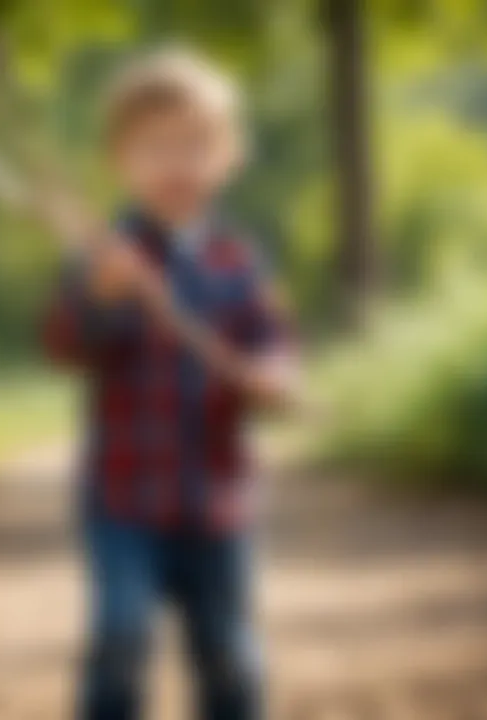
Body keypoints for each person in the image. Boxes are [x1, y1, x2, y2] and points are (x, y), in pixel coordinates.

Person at [41, 48, 297, 720]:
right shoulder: (104, 256)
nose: (176, 163)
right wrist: (99, 296)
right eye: (154, 147)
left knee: (229, 653)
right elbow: (64, 347)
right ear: (119, 160)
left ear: (228, 155)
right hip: (123, 501)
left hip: (217, 500)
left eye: (194, 144)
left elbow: (271, 339)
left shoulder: (240, 258)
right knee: (120, 638)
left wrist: (272, 375)